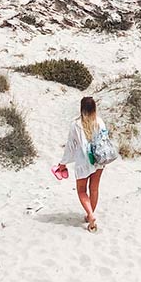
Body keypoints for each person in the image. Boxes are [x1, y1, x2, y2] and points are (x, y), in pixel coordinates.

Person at [58, 96, 106, 232]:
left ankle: (90, 214)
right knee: (94, 188)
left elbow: (70, 146)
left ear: (81, 108)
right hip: (98, 159)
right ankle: (90, 214)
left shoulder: (76, 125)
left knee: (81, 190)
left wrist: (63, 163)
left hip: (83, 160)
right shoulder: (100, 122)